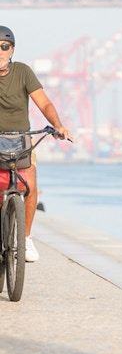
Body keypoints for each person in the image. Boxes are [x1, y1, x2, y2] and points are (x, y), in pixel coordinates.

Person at [0, 25, 73, 262]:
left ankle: (26, 238)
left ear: (12, 50)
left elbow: (44, 103)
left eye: (5, 47)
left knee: (30, 184)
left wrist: (58, 125)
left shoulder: (23, 72)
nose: (0, 51)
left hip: (22, 139)